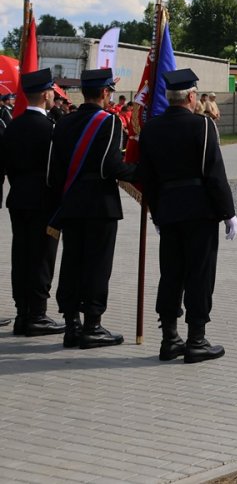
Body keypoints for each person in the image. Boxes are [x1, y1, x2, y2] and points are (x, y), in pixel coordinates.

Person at [136, 69, 237, 363]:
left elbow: (147, 177)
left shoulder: (151, 128)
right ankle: (196, 340)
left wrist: (156, 212)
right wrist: (228, 212)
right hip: (199, 211)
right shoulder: (203, 126)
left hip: (168, 210)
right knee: (199, 275)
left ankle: (169, 339)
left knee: (171, 274)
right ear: (192, 97)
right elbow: (214, 173)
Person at [47, 68, 136, 348]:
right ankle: (92, 325)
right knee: (97, 265)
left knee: (72, 262)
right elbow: (110, 166)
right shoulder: (109, 122)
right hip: (100, 204)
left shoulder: (64, 122)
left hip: (71, 202)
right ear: (105, 92)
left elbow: (54, 172)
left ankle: (71, 324)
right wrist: (139, 172)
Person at [2, 69, 66, 336]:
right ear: (45, 94)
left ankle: (22, 313)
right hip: (44, 200)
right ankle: (37, 314)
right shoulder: (50, 128)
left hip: (18, 197)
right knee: (42, 257)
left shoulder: (12, 125)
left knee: (21, 256)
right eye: (51, 90)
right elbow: (56, 169)